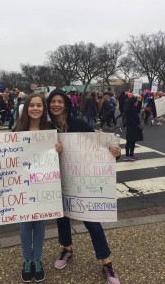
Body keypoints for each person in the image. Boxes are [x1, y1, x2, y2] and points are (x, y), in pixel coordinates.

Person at [0, 93, 62, 283]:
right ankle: (28, 260)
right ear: (26, 108)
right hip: (22, 188)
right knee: (25, 226)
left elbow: (55, 160)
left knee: (41, 225)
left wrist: (59, 149)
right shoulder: (17, 131)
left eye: (39, 105)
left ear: (43, 109)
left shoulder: (50, 130)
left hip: (43, 185)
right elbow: (5, 157)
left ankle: (37, 259)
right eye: (32, 105)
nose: (35, 108)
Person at [47, 88, 121, 284]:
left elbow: (99, 144)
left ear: (66, 103)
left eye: (59, 101)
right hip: (57, 181)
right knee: (62, 219)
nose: (56, 104)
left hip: (81, 182)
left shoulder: (78, 123)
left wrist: (114, 151)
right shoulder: (46, 129)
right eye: (52, 101)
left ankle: (107, 262)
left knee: (92, 223)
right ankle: (67, 248)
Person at [123, 96, 143, 161]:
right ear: (133, 102)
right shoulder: (132, 109)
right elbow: (137, 111)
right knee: (130, 142)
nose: (137, 103)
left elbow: (138, 110)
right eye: (136, 101)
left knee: (131, 141)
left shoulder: (129, 108)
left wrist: (140, 101)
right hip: (133, 126)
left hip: (131, 126)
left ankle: (130, 155)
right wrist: (140, 101)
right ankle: (128, 156)